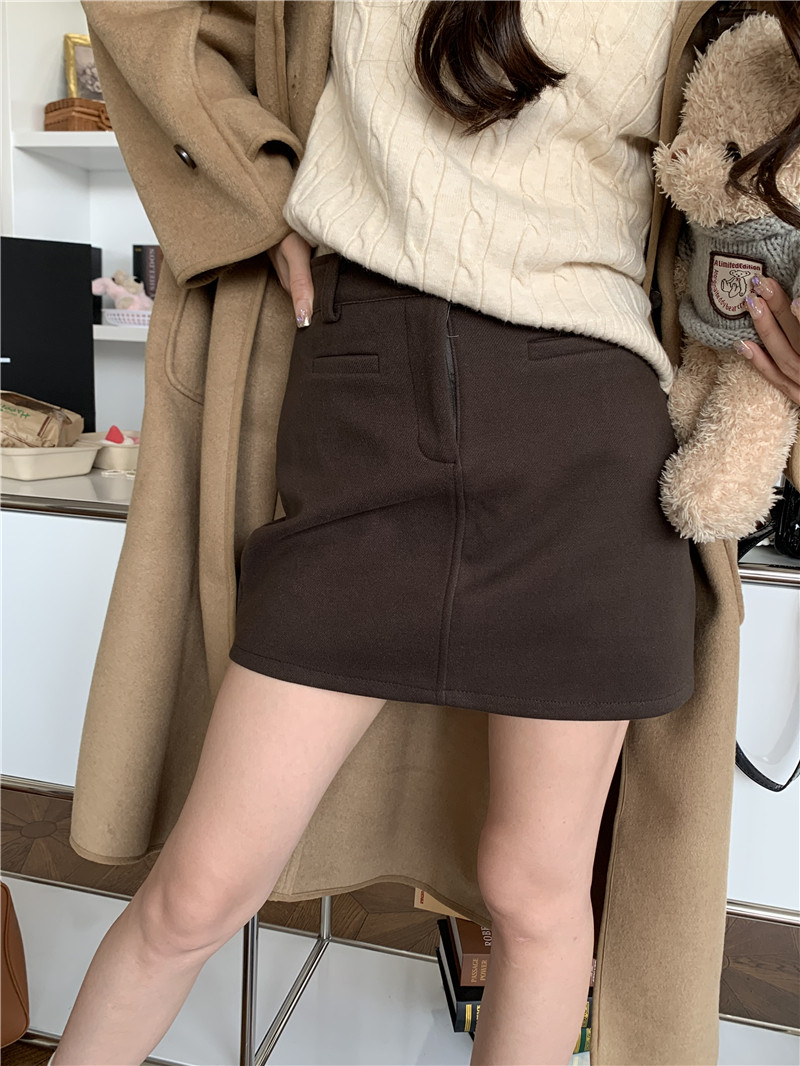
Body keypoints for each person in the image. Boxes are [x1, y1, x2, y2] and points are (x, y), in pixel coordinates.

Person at [51, 3, 800, 1065]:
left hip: (586, 442)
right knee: (198, 890)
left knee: (534, 899)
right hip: (358, 406)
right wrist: (257, 194)